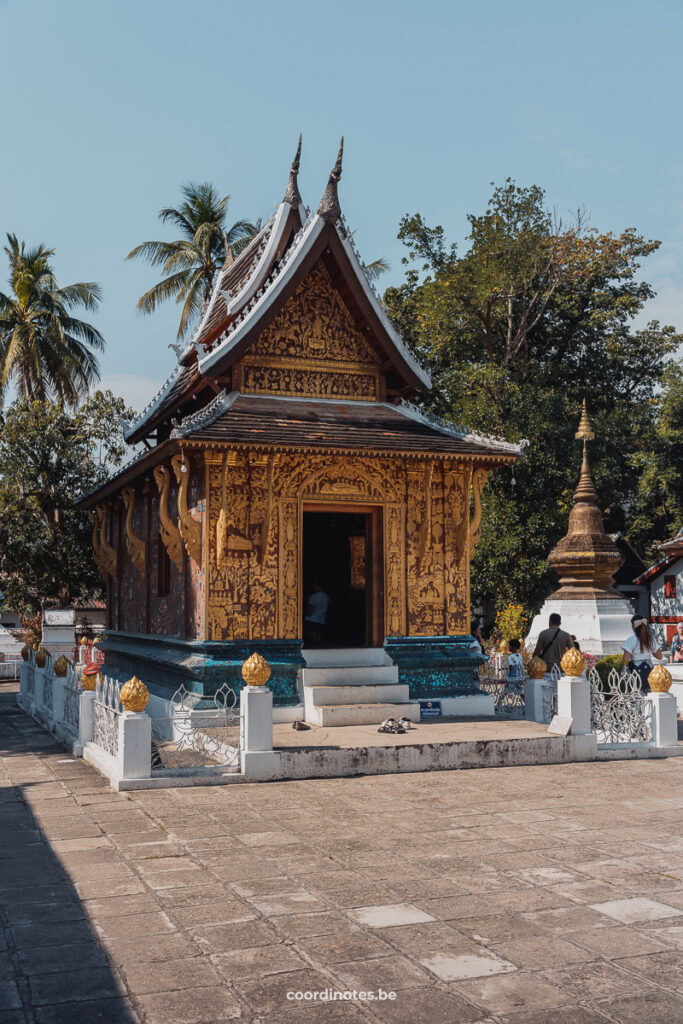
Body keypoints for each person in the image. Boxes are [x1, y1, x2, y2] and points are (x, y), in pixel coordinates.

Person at [622, 615, 663, 692]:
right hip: (649, 669)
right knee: (649, 692)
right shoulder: (651, 639)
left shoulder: (631, 640)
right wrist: (650, 651)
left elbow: (625, 659)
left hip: (636, 670)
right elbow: (659, 656)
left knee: (637, 693)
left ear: (633, 627)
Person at [304, 581, 329, 648]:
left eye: (315, 586)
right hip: (321, 619)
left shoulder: (314, 596)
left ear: (318, 586)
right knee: (319, 637)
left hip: (312, 619)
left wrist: (307, 615)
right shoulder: (326, 596)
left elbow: (310, 608)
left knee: (311, 636)